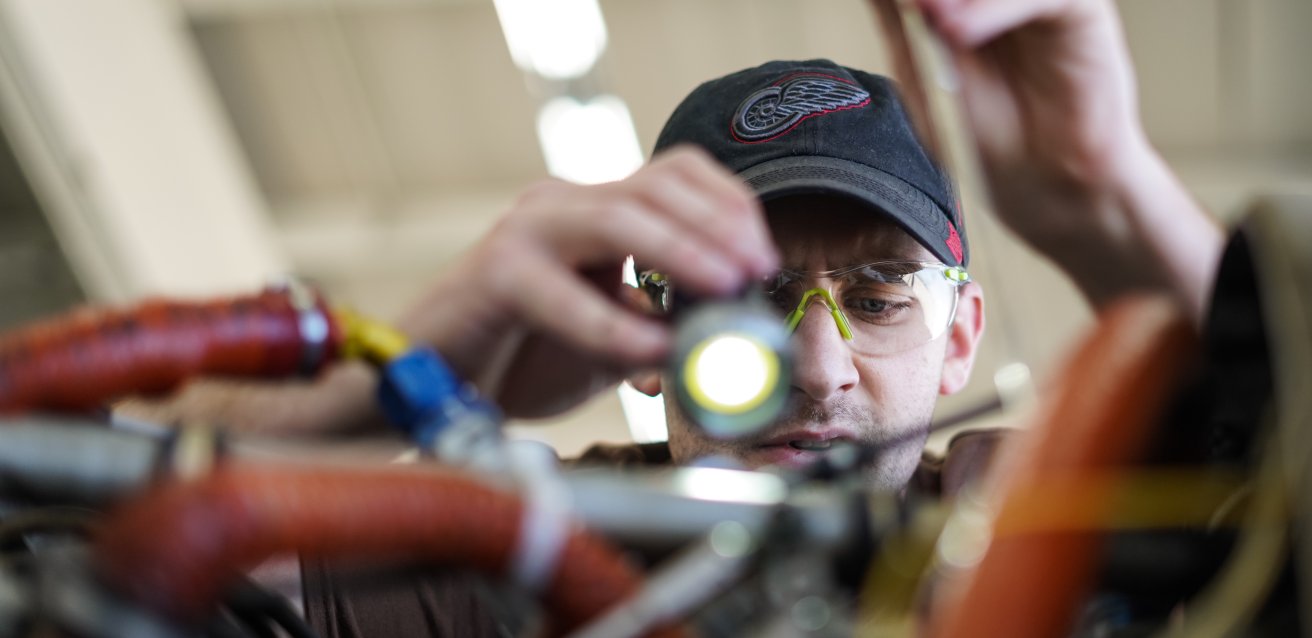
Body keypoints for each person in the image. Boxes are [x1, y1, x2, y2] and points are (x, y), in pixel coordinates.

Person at [120, 0, 1224, 633]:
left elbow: (1309, 476)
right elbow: (118, 531)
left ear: (960, 339)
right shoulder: (524, 547)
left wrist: (1109, 197)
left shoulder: (1054, 521)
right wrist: (424, 363)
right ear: (643, 340)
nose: (818, 365)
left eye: (880, 298)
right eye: (749, 296)